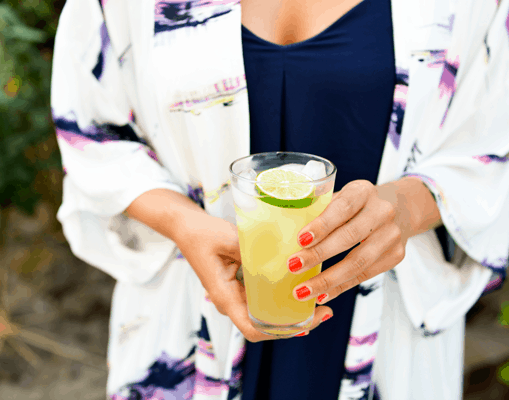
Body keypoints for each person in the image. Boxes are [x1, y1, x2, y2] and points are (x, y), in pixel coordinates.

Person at [50, 0, 509, 399]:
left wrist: (406, 209)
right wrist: (184, 225)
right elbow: (91, 129)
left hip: (383, 318)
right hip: (192, 311)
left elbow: (497, 140)